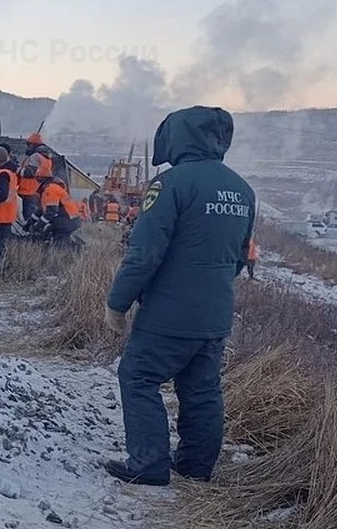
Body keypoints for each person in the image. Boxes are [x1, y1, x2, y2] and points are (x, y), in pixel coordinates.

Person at [101, 106, 256, 486]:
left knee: (138, 377)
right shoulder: (242, 190)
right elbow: (240, 256)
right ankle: (195, 466)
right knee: (201, 388)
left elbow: (143, 254)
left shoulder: (170, 184)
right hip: (216, 312)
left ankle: (148, 466)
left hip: (168, 313)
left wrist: (117, 303)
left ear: (179, 137)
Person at [37, 176, 83, 248]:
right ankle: (75, 246)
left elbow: (51, 211)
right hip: (71, 220)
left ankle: (71, 248)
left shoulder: (51, 189)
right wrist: (30, 222)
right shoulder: (56, 189)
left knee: (58, 242)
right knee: (49, 232)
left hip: (67, 221)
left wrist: (39, 225)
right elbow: (41, 211)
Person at [18, 133, 53, 223]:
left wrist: (16, 169)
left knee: (28, 216)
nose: (28, 147)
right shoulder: (46, 158)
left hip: (28, 192)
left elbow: (29, 173)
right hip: (36, 191)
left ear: (34, 144)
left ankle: (29, 234)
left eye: (29, 144)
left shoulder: (35, 156)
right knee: (33, 216)